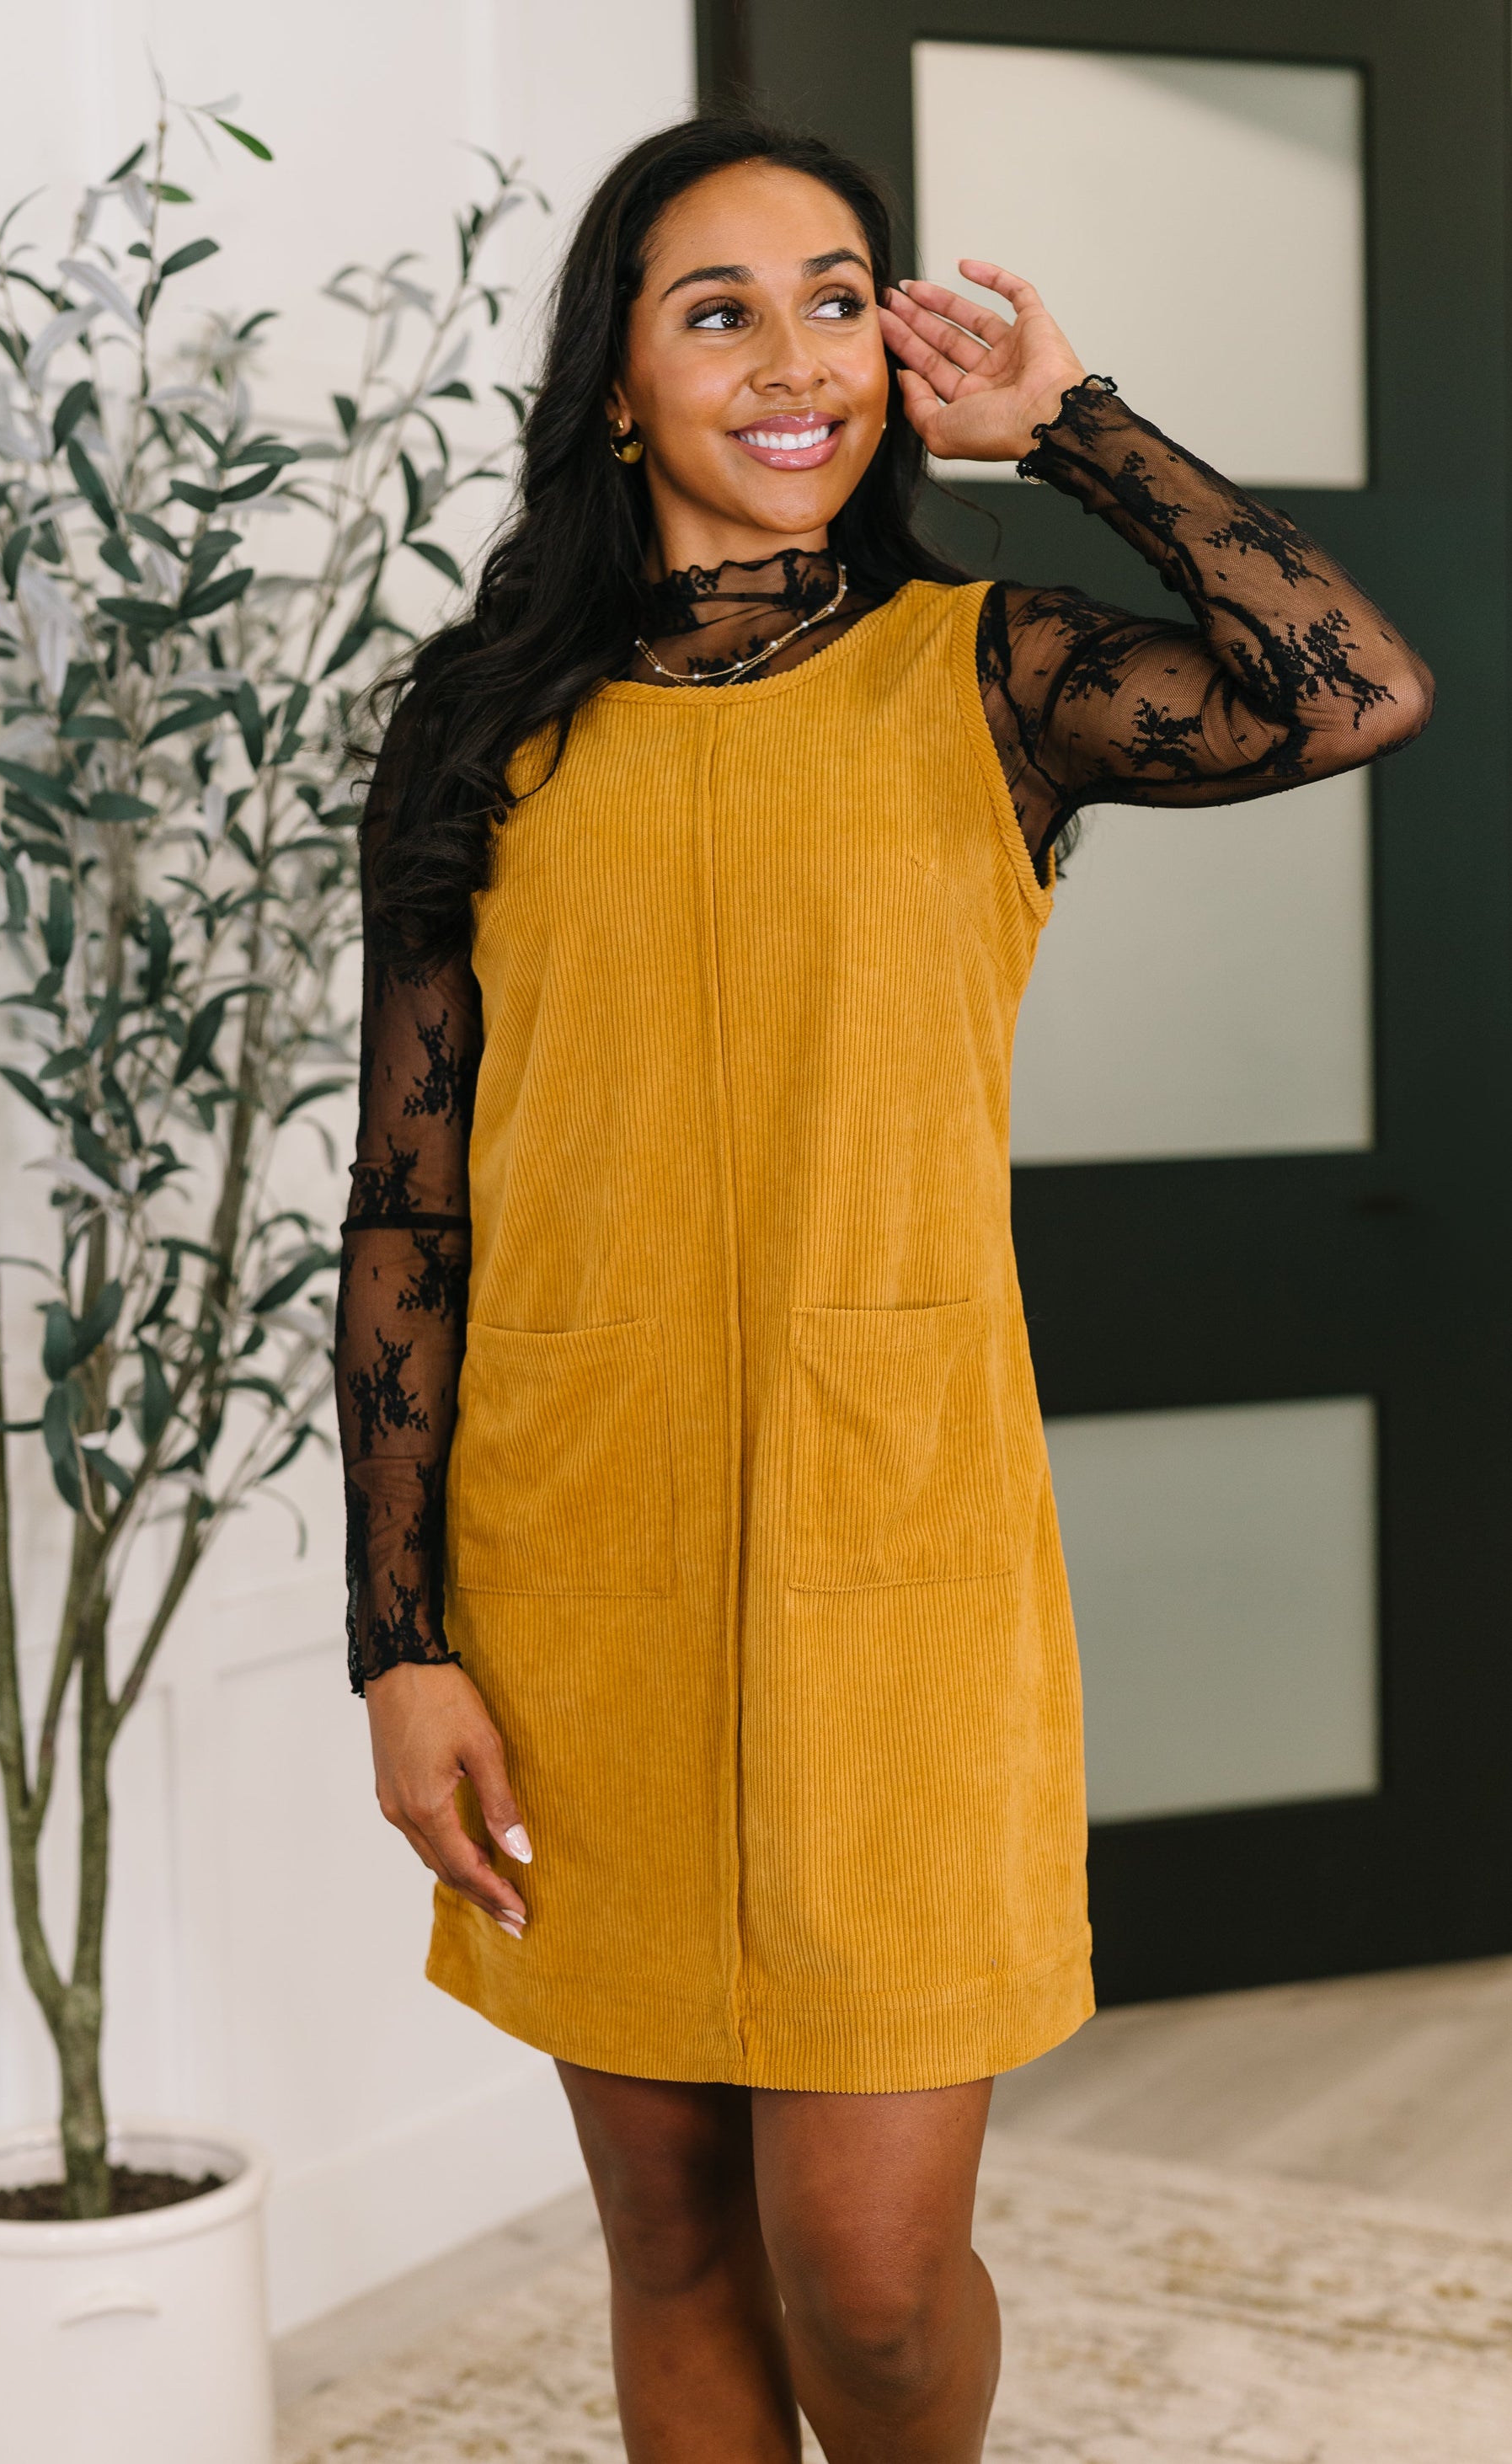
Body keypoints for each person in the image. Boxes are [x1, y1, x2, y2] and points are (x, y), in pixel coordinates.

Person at [334, 114, 1432, 2464]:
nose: (794, 361)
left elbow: (1344, 685)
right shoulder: (480, 722)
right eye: (717, 310)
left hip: (900, 1562)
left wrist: (1070, 427)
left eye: (836, 300)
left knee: (872, 2288)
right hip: (576, 1563)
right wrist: (397, 1643)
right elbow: (407, 1211)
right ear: (615, 383)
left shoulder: (994, 672)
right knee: (671, 2244)